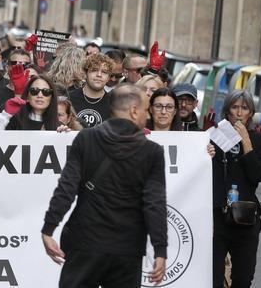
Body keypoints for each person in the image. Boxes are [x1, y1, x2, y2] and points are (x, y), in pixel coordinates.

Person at [41, 84, 167, 287]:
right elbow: (155, 204)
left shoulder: (86, 138)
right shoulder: (152, 152)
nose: (149, 115)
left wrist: (48, 229)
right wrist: (160, 250)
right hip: (127, 250)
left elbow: (67, 188)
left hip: (84, 243)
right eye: (146, 110)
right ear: (134, 111)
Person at [211, 90, 261, 287]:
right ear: (227, 111)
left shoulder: (259, 140)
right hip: (218, 215)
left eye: (244, 108)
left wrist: (246, 142)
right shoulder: (214, 137)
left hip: (246, 217)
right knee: (213, 277)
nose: (239, 112)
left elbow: (258, 175)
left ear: (251, 113)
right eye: (235, 107)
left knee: (243, 278)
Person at [0, 75, 65, 131]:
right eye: (34, 91)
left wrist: (65, 136)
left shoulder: (60, 127)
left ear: (52, 97)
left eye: (46, 92)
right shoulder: (14, 120)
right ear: (27, 96)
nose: (40, 95)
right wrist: (5, 115)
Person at [66, 53, 113, 127]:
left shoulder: (113, 103)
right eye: (94, 70)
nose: (99, 75)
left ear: (108, 78)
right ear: (85, 73)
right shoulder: (68, 99)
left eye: (104, 72)